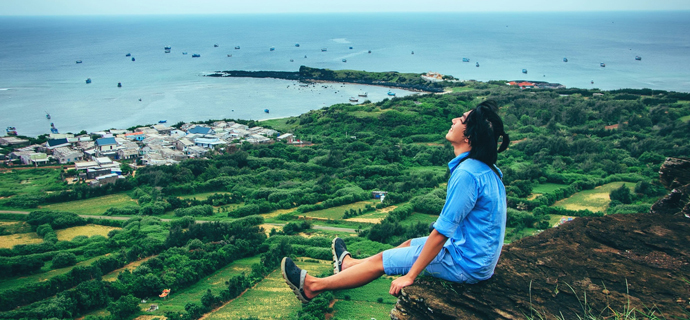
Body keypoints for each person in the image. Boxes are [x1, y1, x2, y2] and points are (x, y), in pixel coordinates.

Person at [281, 100, 510, 303]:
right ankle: (349, 265)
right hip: (474, 257)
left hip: (465, 265)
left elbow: (442, 232)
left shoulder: (467, 174)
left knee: (383, 261)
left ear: (469, 135)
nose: (453, 120)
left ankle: (312, 287)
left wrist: (410, 277)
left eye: (461, 119)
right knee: (409, 243)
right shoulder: (487, 170)